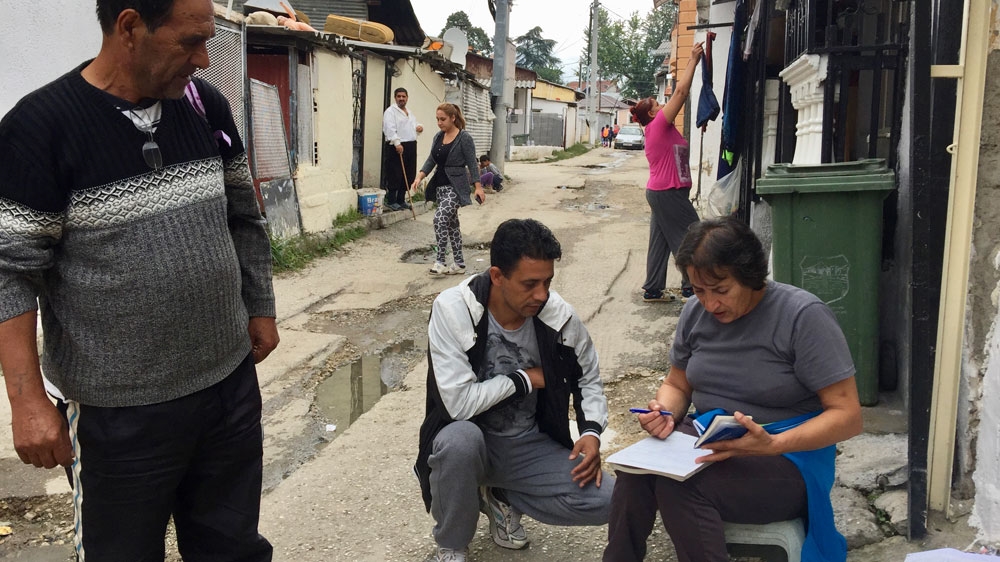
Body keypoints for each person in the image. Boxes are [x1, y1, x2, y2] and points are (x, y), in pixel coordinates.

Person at [0, 1, 278, 560]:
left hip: (227, 392)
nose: (204, 59)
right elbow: (9, 273)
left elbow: (244, 215)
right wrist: (27, 401)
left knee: (232, 549)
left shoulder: (206, 107)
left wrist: (260, 303)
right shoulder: (39, 128)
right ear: (129, 27)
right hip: (117, 418)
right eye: (190, 42)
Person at [603, 217, 862, 562]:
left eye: (721, 290)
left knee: (680, 485)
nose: (710, 304)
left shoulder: (802, 316)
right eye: (698, 290)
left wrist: (771, 444)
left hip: (785, 461)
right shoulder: (696, 313)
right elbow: (678, 383)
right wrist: (664, 412)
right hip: (710, 441)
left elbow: (848, 416)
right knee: (636, 474)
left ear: (751, 276)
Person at [415, 219, 615, 562]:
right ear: (497, 276)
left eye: (548, 282)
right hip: (470, 440)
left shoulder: (560, 318)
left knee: (613, 500)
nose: (541, 294)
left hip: (526, 444)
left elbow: (589, 378)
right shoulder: (454, 309)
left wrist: (592, 432)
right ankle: (452, 545)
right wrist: (525, 379)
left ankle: (501, 496)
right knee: (458, 442)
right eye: (530, 284)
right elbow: (458, 405)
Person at [630, 43, 705, 303]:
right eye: (658, 103)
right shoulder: (659, 125)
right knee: (693, 234)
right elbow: (682, 92)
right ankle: (690, 288)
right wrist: (692, 60)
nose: (664, 104)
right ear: (652, 113)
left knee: (660, 242)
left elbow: (676, 92)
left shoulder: (660, 128)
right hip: (668, 193)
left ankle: (653, 290)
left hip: (660, 192)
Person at [410, 103, 485, 276]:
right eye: (437, 119)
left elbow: (473, 164)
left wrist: (478, 187)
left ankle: (440, 261)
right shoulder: (438, 137)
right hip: (440, 186)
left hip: (456, 187)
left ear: (453, 118)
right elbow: (432, 159)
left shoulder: (464, 138)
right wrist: (420, 176)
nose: (439, 123)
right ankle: (459, 263)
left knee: (439, 219)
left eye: (442, 119)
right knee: (452, 225)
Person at [382, 87, 423, 212]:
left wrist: (419, 127)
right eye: (399, 96)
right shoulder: (391, 111)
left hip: (410, 145)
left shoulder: (409, 112)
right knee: (396, 173)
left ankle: (401, 199)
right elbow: (389, 128)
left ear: (407, 98)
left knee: (409, 172)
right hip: (398, 146)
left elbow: (412, 125)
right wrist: (396, 142)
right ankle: (391, 200)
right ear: (395, 98)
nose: (401, 99)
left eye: (403, 96)